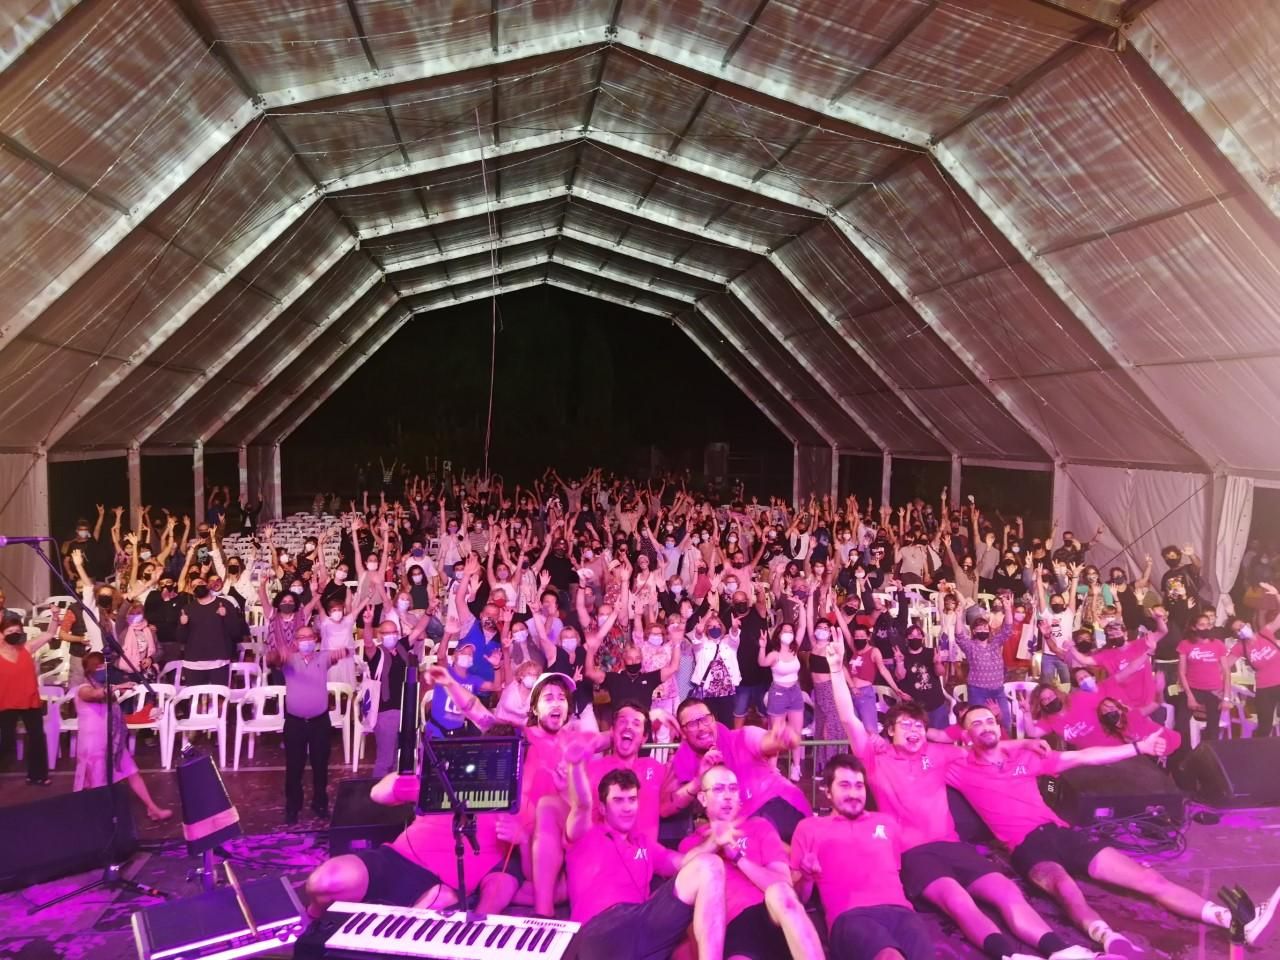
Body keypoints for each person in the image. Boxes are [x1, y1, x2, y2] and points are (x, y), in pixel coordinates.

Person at [829, 640, 1090, 960]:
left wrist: (1023, 744)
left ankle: (1058, 950)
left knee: (1007, 891)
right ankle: (1009, 956)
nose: (913, 730)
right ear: (890, 732)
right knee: (958, 900)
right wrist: (832, 669)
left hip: (953, 846)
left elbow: (982, 746)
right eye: (904, 725)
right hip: (914, 854)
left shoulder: (937, 754)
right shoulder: (876, 757)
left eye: (918, 725)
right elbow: (848, 719)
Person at [945, 703, 1280, 953]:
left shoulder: (1027, 758)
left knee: (1148, 879)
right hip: (1025, 845)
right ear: (965, 733)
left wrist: (1139, 748)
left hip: (1060, 832)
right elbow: (916, 747)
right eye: (977, 723)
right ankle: (1108, 939)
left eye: (990, 720)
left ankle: (1235, 920)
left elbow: (1087, 757)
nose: (986, 726)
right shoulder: (956, 766)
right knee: (1063, 885)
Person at [563, 761, 726, 960]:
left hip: (644, 926)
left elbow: (684, 863)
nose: (627, 808)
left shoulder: (644, 844)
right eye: (618, 800)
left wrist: (715, 841)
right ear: (603, 809)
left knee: (710, 865)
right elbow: (581, 805)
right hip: (599, 932)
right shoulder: (587, 834)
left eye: (632, 799)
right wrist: (576, 764)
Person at [304, 769, 522, 917]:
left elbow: (531, 869)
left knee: (437, 905)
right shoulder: (445, 777)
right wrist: (414, 770)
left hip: (442, 888)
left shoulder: (524, 798)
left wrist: (524, 838)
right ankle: (313, 926)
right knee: (325, 882)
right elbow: (379, 794)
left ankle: (386, 944)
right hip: (396, 859)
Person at [790, 755, 935, 960]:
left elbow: (899, 867)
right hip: (852, 917)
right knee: (889, 957)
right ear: (828, 791)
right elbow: (798, 899)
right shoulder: (809, 828)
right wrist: (806, 876)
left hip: (903, 913)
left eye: (859, 786)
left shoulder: (887, 822)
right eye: (844, 785)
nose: (853, 793)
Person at [677, 763, 823, 959]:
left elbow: (782, 882)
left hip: (774, 914)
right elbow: (684, 871)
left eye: (733, 789)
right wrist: (715, 842)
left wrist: (738, 857)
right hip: (733, 925)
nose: (728, 796)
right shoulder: (692, 843)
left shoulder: (759, 827)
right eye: (719, 789)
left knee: (779, 892)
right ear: (703, 798)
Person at [663, 697, 811, 842]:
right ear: (682, 732)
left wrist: (782, 739)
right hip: (742, 827)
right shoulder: (683, 760)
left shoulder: (741, 737)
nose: (702, 727)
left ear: (714, 720)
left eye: (706, 719)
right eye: (692, 724)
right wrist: (698, 782)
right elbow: (665, 808)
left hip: (779, 806)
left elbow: (767, 741)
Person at [266, 623, 351, 824]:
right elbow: (271, 660)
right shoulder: (288, 660)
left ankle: (320, 803)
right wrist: (279, 654)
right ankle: (292, 807)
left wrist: (343, 651)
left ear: (316, 640)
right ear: (296, 642)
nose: (306, 641)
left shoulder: (323, 657)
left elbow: (343, 652)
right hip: (295, 723)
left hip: (320, 722)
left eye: (310, 637)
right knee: (294, 767)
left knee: (320, 765)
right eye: (302, 638)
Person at [73, 651, 172, 821]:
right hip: (93, 747)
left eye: (103, 666)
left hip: (112, 743)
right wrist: (118, 687)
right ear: (90, 670)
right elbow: (94, 695)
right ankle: (95, 820)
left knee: (132, 773)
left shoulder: (104, 689)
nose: (103, 669)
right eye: (99, 667)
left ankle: (153, 808)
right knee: (97, 785)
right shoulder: (83, 689)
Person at [0, 612, 55, 785]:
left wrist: (55, 617)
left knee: (37, 737)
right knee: (5, 741)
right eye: (9, 632)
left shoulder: (27, 647)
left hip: (30, 700)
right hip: (6, 702)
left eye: (17, 631)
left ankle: (38, 775)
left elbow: (49, 634)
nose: (14, 634)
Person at [758, 620, 805, 782]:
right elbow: (762, 663)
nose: (788, 634)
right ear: (778, 634)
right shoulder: (774, 654)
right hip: (778, 693)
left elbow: (803, 626)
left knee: (796, 732)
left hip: (795, 692)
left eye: (790, 631)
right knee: (776, 734)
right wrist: (762, 646)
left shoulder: (795, 650)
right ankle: (772, 769)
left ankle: (796, 766)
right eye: (785, 630)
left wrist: (804, 603)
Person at [1232, 586, 1280, 735]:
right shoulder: (1240, 647)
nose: (1242, 629)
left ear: (1248, 624)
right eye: (1237, 629)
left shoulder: (1265, 633)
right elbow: (1223, 664)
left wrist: (1277, 595)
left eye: (1242, 625)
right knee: (1264, 726)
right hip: (1264, 688)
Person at [1177, 621, 1234, 742]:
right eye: (1201, 625)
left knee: (1213, 728)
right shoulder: (1185, 644)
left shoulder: (1218, 644)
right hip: (1193, 689)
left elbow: (1226, 671)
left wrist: (1226, 697)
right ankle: (1184, 755)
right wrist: (1189, 696)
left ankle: (1209, 756)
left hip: (1214, 690)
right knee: (1181, 724)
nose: (1206, 627)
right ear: (1194, 627)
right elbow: (1182, 672)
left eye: (1208, 624)